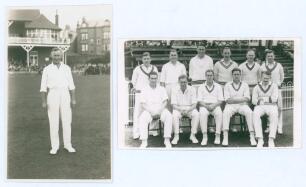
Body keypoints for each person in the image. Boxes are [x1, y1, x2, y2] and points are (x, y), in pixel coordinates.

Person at [40, 48, 76, 155]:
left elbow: (71, 85)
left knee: (67, 120)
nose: (56, 57)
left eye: (58, 55)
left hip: (65, 94)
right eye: (54, 55)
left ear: (61, 56)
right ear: (51, 56)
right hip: (53, 94)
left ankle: (68, 145)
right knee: (53, 121)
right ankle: (55, 146)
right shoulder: (47, 69)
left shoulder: (67, 68)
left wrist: (73, 99)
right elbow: (43, 87)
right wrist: (44, 101)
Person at [222, 68, 256, 146]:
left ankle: (252, 136)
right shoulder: (227, 85)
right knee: (226, 112)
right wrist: (241, 99)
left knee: (249, 112)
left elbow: (247, 98)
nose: (236, 76)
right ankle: (225, 136)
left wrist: (234, 99)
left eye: (238, 74)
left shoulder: (245, 84)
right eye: (235, 74)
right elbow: (227, 100)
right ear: (232, 75)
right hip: (230, 106)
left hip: (243, 105)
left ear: (240, 75)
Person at [138, 72, 172, 148]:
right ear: (149, 79)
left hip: (161, 110)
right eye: (152, 78)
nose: (153, 80)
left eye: (155, 78)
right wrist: (151, 111)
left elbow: (165, 101)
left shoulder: (161, 88)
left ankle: (167, 140)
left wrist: (160, 111)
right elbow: (143, 103)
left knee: (169, 116)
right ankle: (144, 141)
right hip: (149, 111)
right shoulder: (144, 89)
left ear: (157, 79)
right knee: (142, 118)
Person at [131, 52, 158, 139]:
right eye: (145, 59)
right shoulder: (137, 69)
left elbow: (157, 81)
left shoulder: (154, 68)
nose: (146, 60)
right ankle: (136, 132)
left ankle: (152, 130)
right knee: (138, 113)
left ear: (150, 59)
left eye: (148, 58)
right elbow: (133, 82)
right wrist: (135, 89)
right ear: (142, 60)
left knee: (153, 111)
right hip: (140, 94)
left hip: (151, 94)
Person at [259, 50, 284, 134]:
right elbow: (260, 78)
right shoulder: (262, 66)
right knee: (269, 107)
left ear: (274, 56)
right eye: (268, 56)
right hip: (268, 90)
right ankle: (269, 126)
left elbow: (282, 77)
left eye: (271, 56)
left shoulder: (279, 65)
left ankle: (279, 127)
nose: (270, 57)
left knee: (279, 108)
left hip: (277, 89)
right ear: (266, 57)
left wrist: (278, 84)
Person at [252, 71, 279, 147]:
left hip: (271, 106)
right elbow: (253, 101)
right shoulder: (256, 87)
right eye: (264, 78)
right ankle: (260, 138)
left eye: (267, 78)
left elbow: (274, 99)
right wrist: (267, 99)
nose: (266, 79)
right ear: (261, 77)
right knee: (255, 114)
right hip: (260, 106)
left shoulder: (274, 86)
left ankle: (271, 138)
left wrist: (261, 99)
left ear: (270, 78)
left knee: (274, 114)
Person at [171, 74, 200, 145]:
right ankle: (176, 136)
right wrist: (181, 110)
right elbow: (173, 105)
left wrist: (188, 110)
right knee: (174, 115)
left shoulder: (192, 89)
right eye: (181, 82)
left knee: (196, 114)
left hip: (189, 108)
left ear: (187, 82)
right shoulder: (174, 89)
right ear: (178, 82)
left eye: (185, 82)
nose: (183, 84)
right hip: (178, 108)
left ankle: (193, 135)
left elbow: (194, 104)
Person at [198, 69, 224, 145]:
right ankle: (204, 136)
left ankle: (218, 135)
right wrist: (206, 106)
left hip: (215, 105)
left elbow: (220, 100)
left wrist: (213, 105)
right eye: (208, 75)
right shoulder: (201, 87)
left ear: (213, 76)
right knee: (202, 113)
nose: (209, 77)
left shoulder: (218, 86)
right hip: (204, 106)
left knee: (219, 113)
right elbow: (199, 100)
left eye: (211, 75)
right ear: (205, 76)